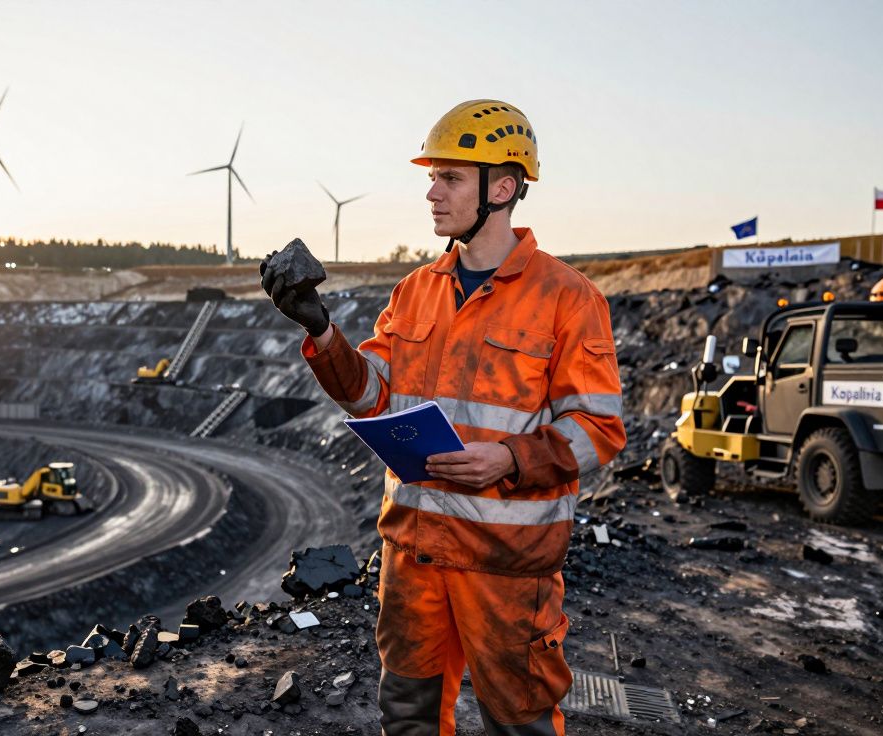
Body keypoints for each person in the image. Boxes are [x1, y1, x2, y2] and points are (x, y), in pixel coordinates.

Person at [261, 100, 626, 735]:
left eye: (451, 178)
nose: (432, 192)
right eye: (433, 177)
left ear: (503, 188)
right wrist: (319, 327)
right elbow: (371, 394)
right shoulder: (416, 290)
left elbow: (598, 429)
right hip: (414, 557)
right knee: (407, 716)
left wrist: (510, 458)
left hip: (505, 567)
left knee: (520, 722)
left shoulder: (567, 298)